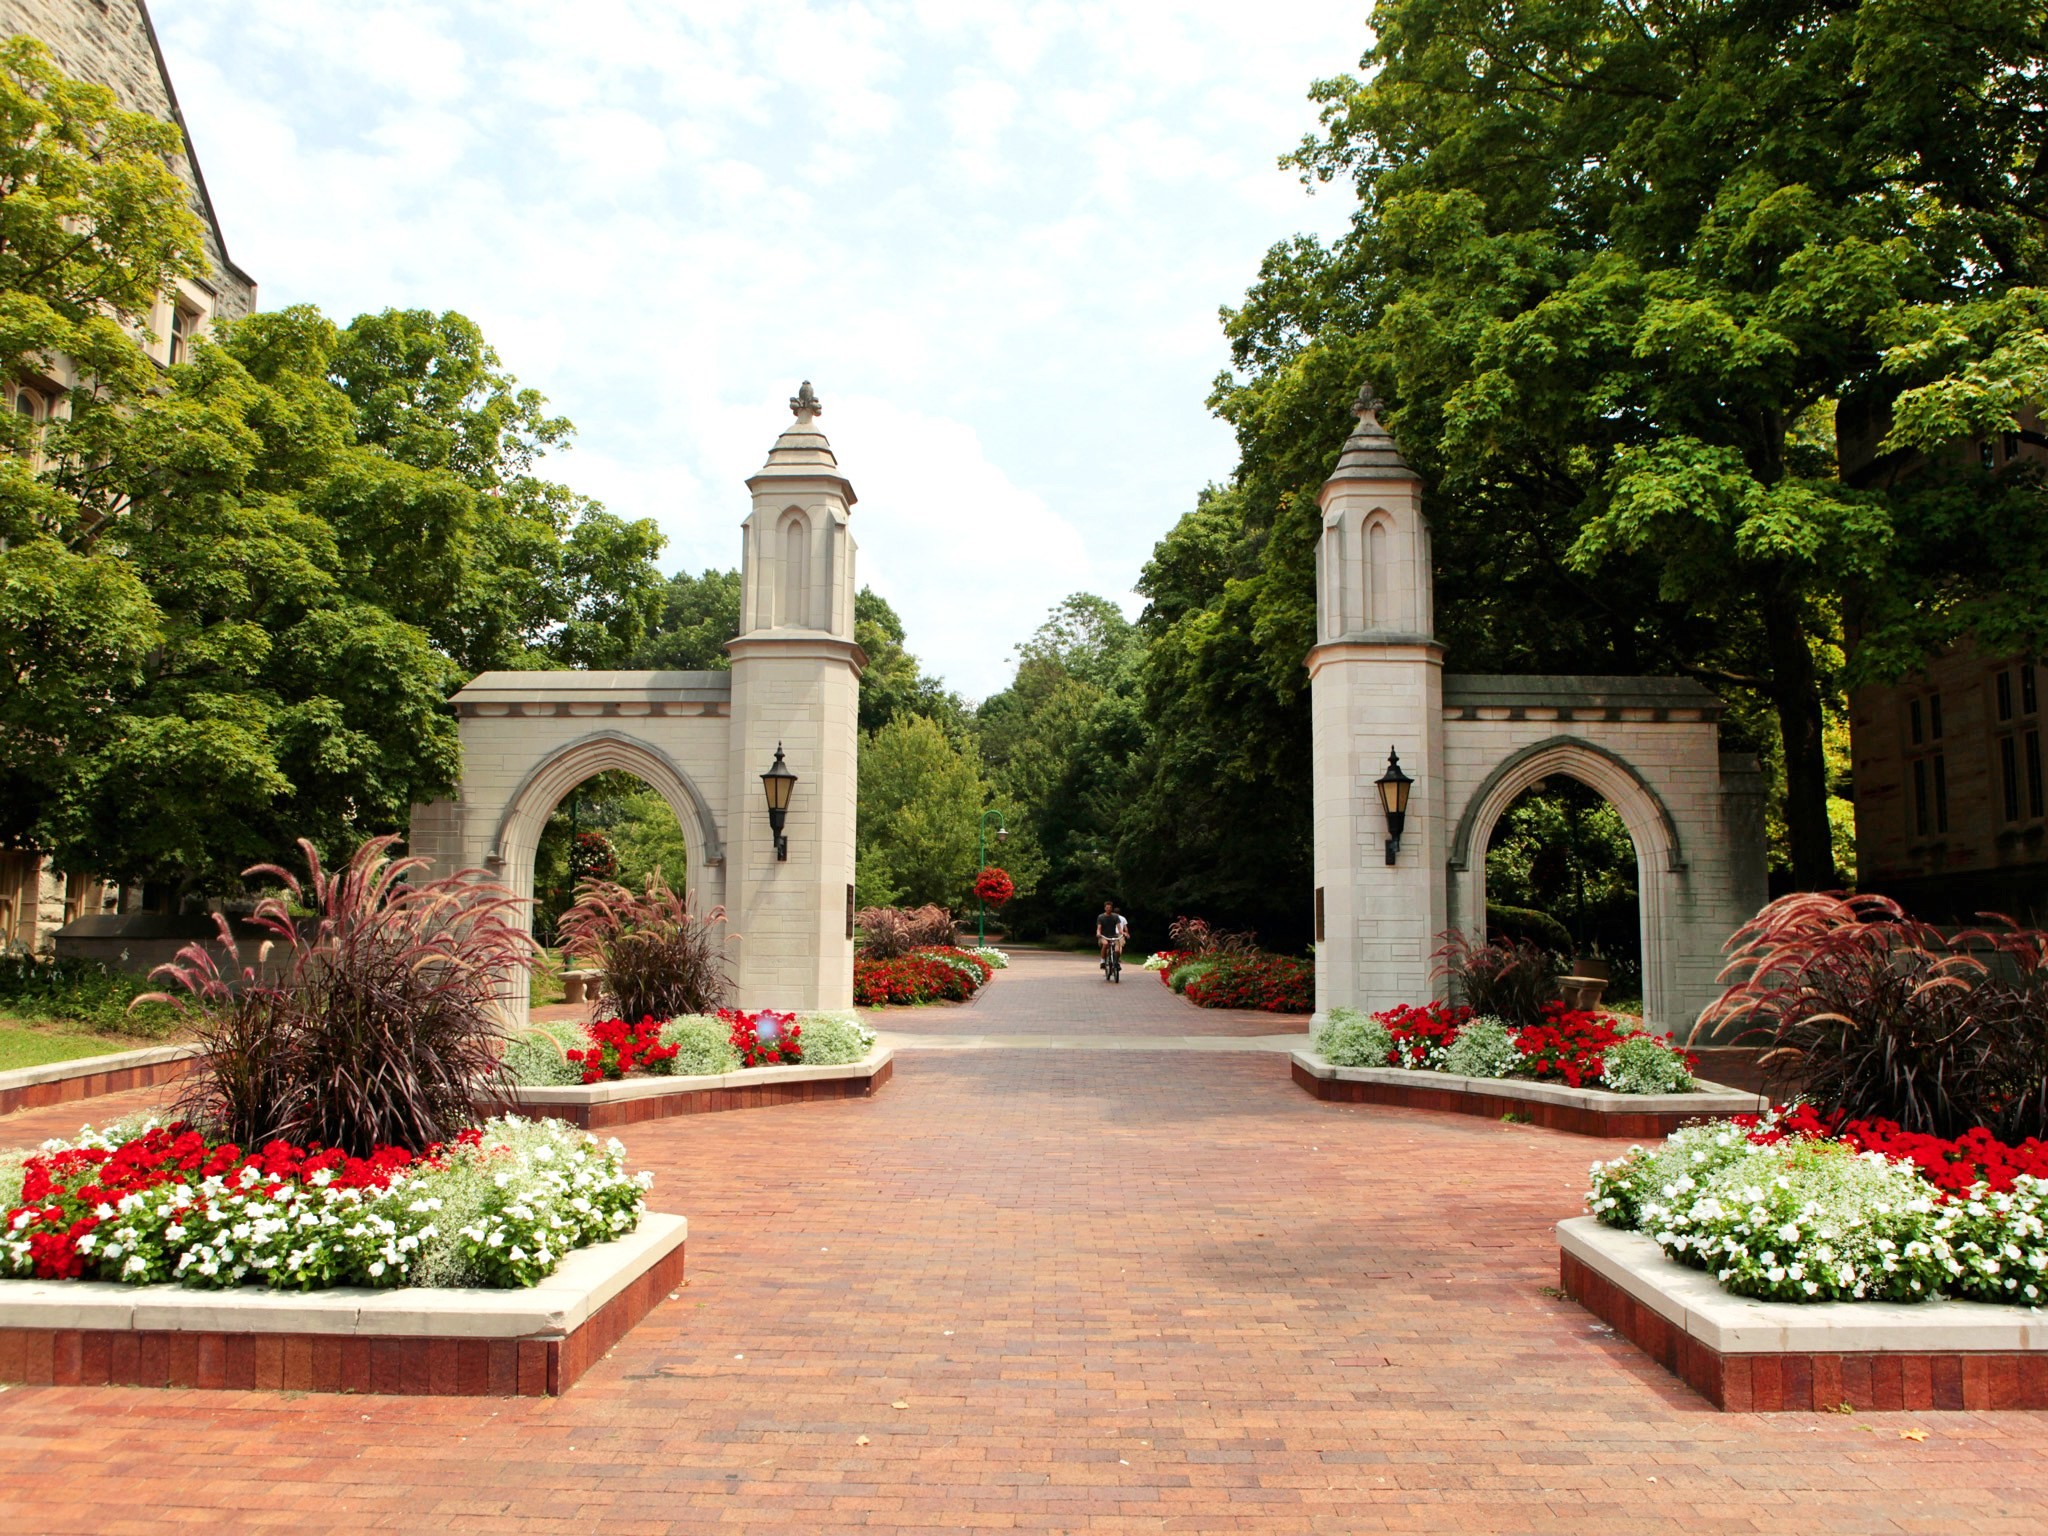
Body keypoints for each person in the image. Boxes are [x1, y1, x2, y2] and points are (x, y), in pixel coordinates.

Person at [1095, 901, 1127, 969]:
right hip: (1103, 936)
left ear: (1111, 908)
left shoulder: (1115, 916)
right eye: (1107, 907)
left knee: (1117, 950)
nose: (1108, 909)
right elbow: (1099, 928)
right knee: (1106, 944)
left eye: (1110, 907)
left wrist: (1123, 933)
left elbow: (1119, 928)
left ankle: (1116, 962)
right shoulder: (1101, 917)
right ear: (1105, 908)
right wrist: (1098, 933)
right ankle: (1102, 961)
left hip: (1113, 936)